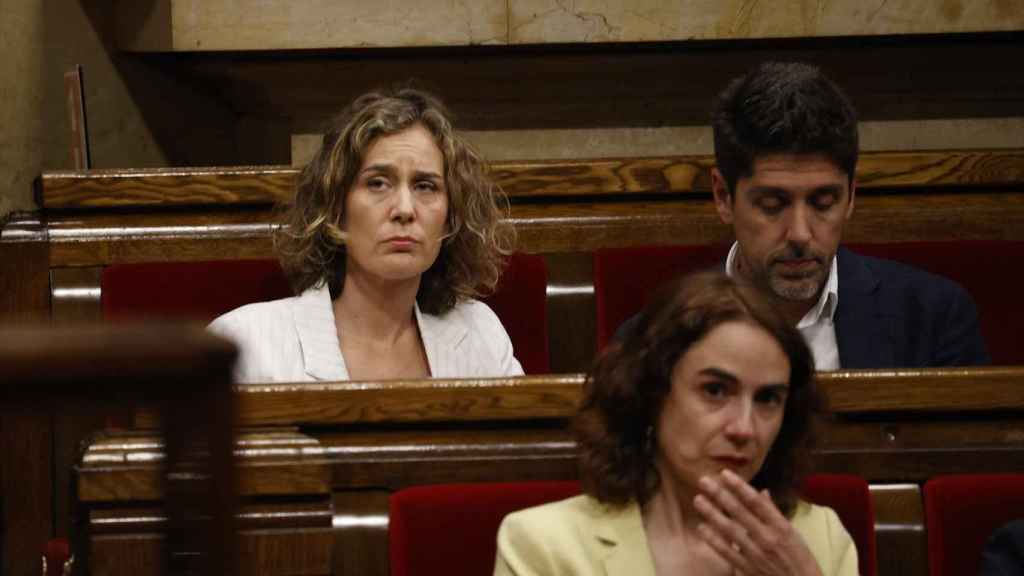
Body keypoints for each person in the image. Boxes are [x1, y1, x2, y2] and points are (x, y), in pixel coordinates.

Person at [619, 61, 989, 370]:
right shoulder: (655, 338)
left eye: (823, 202)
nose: (800, 234)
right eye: (772, 204)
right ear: (723, 197)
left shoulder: (933, 317)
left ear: (851, 196)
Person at [496, 271, 857, 576]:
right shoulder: (544, 545)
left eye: (768, 399)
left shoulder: (818, 538)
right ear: (652, 392)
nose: (745, 429)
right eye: (715, 391)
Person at [209, 87, 522, 382]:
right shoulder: (244, 343)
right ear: (335, 208)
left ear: (450, 216)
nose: (404, 209)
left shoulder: (480, 333)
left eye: (425, 186)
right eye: (377, 183)